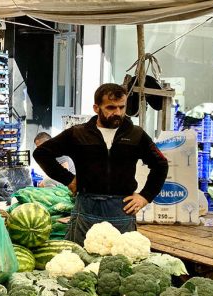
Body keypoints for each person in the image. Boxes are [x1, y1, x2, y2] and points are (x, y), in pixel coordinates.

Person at [34, 83, 169, 244]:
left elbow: (160, 164)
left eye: (121, 107)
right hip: (86, 208)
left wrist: (146, 196)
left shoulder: (136, 135)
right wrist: (68, 179)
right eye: (111, 107)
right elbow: (41, 153)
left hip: (121, 210)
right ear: (96, 108)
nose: (117, 112)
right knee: (81, 263)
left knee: (121, 265)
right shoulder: (78, 134)